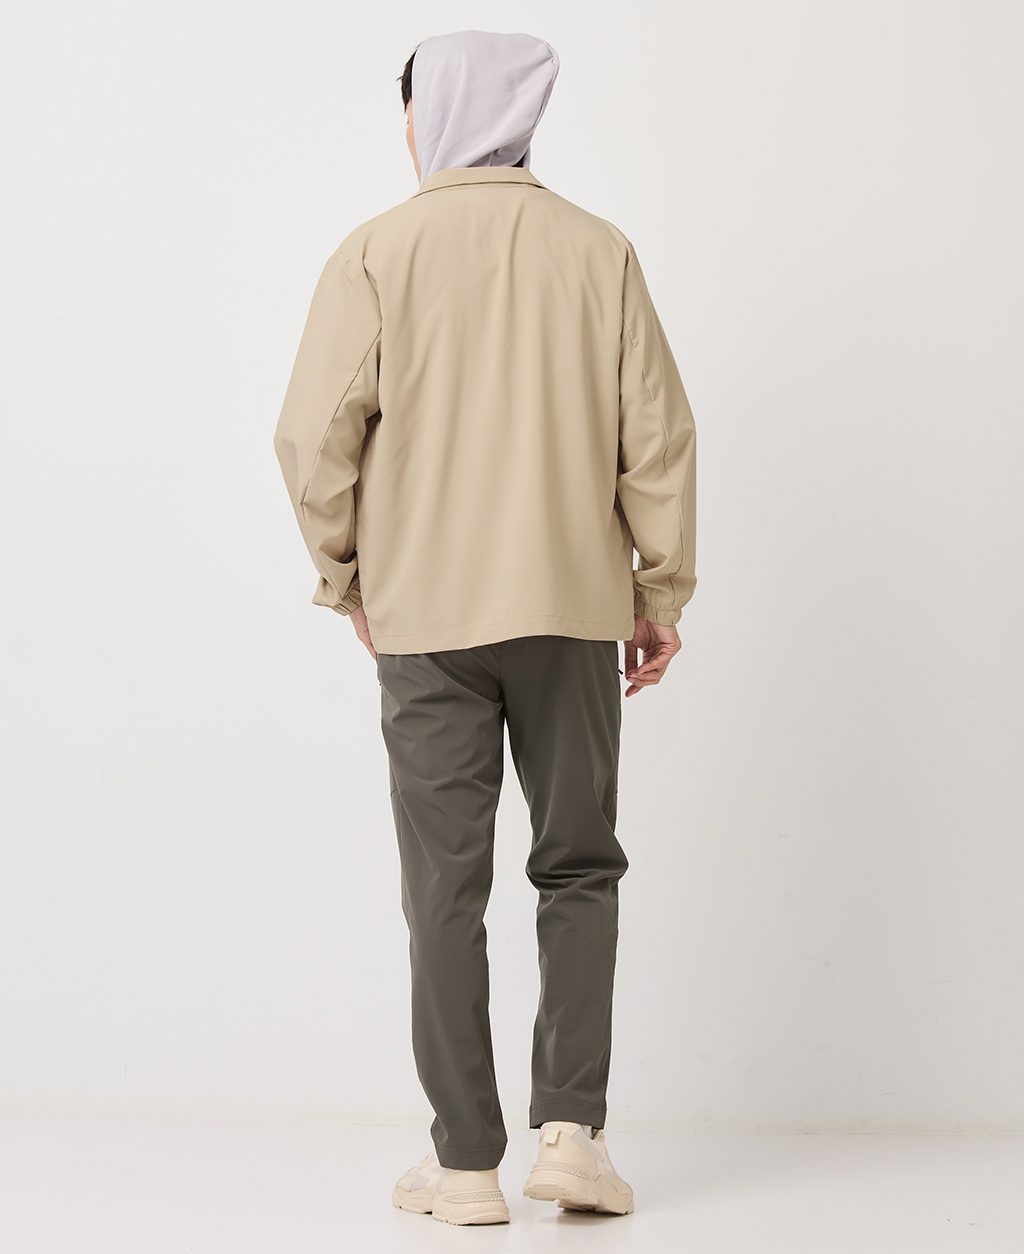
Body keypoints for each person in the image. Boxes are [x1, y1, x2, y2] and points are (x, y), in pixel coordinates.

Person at [273, 29, 697, 1226]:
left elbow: (312, 437)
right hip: (571, 610)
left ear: (438, 114)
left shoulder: (375, 253)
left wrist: (347, 578)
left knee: (443, 890)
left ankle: (463, 1165)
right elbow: (658, 438)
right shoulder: (599, 251)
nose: (407, 131)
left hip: (425, 619)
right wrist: (658, 594)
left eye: (411, 108)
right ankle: (573, 1138)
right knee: (579, 867)